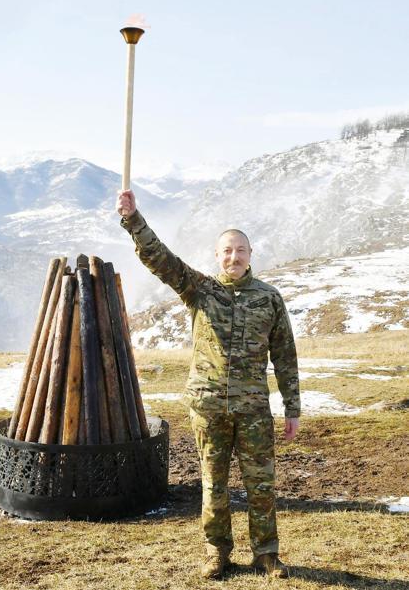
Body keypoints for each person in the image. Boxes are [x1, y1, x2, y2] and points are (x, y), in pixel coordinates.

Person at [116, 189, 300, 580]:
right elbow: (160, 259)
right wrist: (133, 221)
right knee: (213, 486)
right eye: (227, 251)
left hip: (252, 411)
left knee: (261, 486)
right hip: (208, 407)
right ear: (218, 256)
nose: (234, 257)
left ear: (251, 255)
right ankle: (217, 553)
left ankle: (266, 554)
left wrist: (292, 409)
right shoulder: (199, 289)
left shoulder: (269, 299)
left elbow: (285, 357)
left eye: (241, 251)